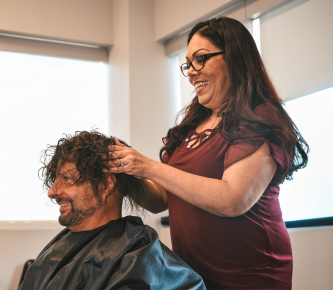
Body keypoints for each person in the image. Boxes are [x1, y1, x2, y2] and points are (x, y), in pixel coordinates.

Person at [107, 17, 308, 290]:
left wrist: (148, 167)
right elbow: (162, 199)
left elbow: (233, 200)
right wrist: (125, 167)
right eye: (188, 64)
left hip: (251, 277)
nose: (191, 72)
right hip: (196, 277)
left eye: (200, 59)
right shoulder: (191, 127)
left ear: (235, 58)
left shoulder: (260, 118)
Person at [18, 131, 206, 290]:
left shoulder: (136, 256)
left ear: (107, 185)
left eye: (67, 179)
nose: (52, 192)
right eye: (55, 181)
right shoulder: (58, 247)